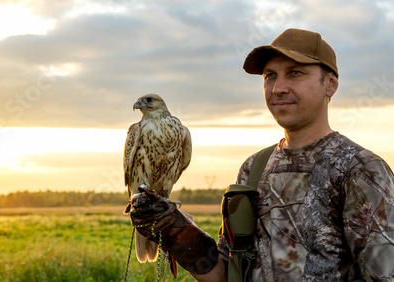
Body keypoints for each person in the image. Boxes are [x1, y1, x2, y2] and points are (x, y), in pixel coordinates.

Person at [129, 28, 394, 281]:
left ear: (331, 84)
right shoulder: (254, 168)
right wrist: (174, 229)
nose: (278, 87)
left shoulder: (361, 170)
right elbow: (226, 273)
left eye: (295, 73)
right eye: (270, 76)